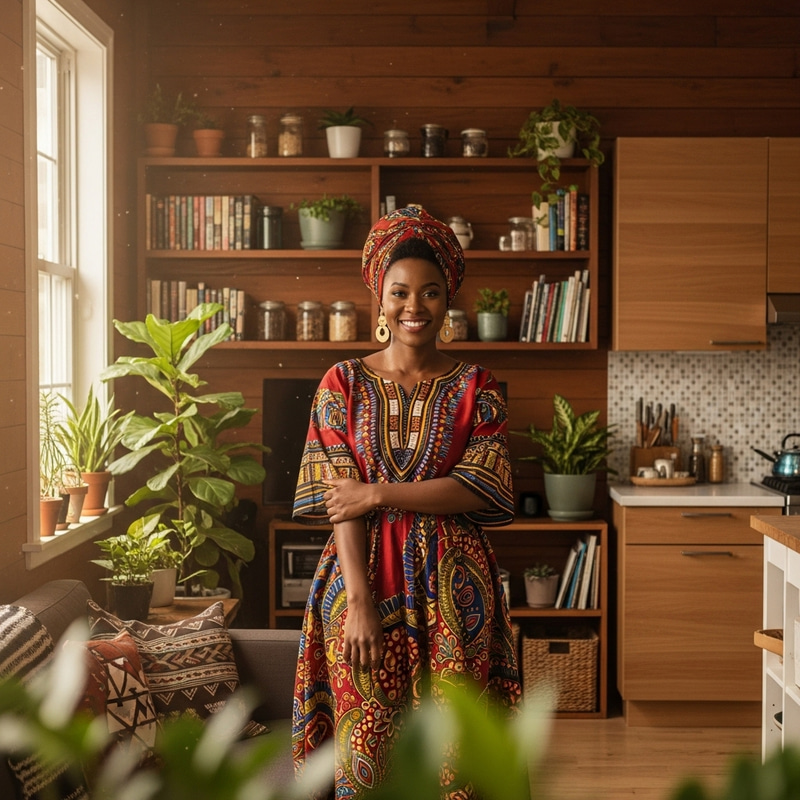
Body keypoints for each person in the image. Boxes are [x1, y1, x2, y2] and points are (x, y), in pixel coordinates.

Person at [291, 206, 522, 799]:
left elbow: (477, 486)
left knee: (457, 752)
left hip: (456, 591)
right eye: (399, 292)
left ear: (449, 301)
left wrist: (377, 492)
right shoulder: (340, 382)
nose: (413, 306)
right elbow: (338, 502)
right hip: (360, 579)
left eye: (430, 292)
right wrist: (361, 602)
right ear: (379, 295)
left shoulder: (479, 386)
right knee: (365, 741)